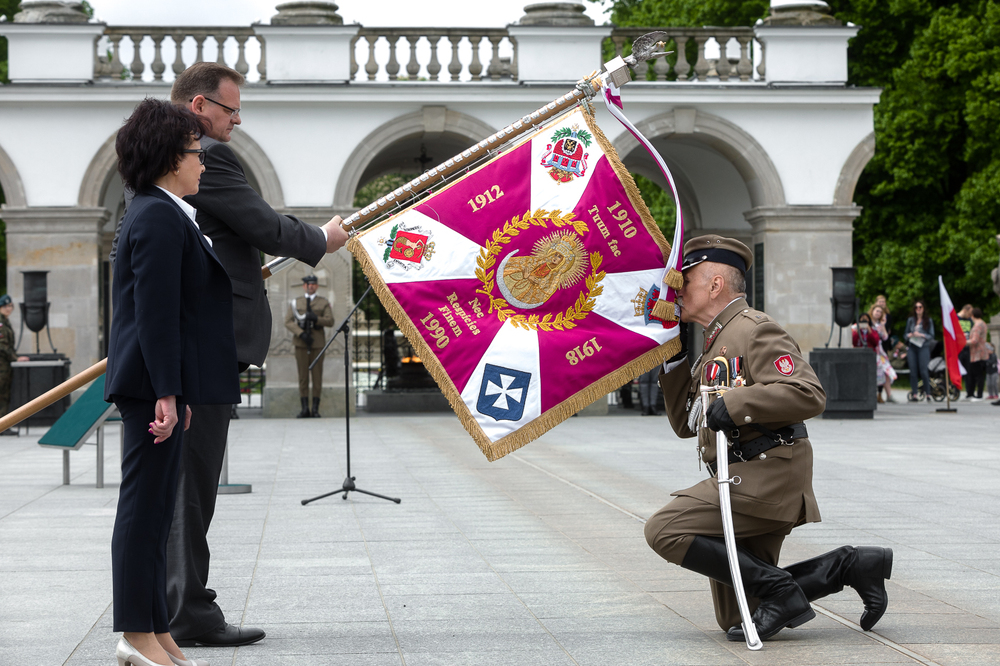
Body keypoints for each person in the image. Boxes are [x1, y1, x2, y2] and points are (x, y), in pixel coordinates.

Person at [106, 62, 351, 649]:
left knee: (177, 490)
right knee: (178, 493)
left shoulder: (174, 203)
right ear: (197, 110)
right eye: (230, 109)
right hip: (185, 361)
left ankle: (164, 620)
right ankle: (176, 612)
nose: (236, 121)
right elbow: (258, 230)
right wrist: (322, 240)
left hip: (188, 359)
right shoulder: (182, 186)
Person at [646, 235, 892, 642]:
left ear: (715, 285)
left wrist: (738, 399)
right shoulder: (714, 342)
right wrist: (672, 357)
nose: (678, 290)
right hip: (741, 473)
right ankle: (850, 565)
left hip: (768, 472)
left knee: (664, 529)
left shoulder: (754, 329)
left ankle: (780, 589)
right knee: (740, 617)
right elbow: (685, 423)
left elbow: (808, 392)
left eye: (686, 280)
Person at [105, 98, 239, 666]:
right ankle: (135, 632)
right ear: (168, 157)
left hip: (163, 382)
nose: (203, 162)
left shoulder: (165, 210)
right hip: (148, 384)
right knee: (142, 509)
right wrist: (164, 390)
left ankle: (155, 630)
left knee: (158, 510)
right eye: (194, 152)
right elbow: (156, 311)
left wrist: (176, 389)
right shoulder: (158, 214)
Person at [284, 275, 334, 417]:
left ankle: (315, 409)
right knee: (303, 376)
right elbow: (288, 321)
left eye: (313, 284)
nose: (310, 286)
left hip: (317, 342)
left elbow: (330, 321)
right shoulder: (296, 302)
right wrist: (300, 333)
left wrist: (316, 319)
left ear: (317, 286)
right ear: (304, 286)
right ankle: (305, 408)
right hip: (301, 342)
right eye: (308, 284)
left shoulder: (323, 302)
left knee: (317, 376)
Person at [0, 294, 29, 431]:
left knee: (4, 395)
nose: (8, 309)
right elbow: (2, 345)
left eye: (10, 306)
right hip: (1, 365)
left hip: (5, 366)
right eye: (5, 306)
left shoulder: (6, 322)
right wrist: (15, 357)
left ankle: (3, 425)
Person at [904, 300, 935, 401]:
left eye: (920, 307)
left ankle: (928, 393)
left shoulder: (928, 320)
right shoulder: (911, 320)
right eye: (916, 307)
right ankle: (915, 393)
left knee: (923, 371)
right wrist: (909, 335)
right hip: (912, 346)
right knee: (913, 371)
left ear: (923, 309)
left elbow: (931, 335)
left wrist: (921, 335)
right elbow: (905, 334)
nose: (918, 309)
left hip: (923, 346)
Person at [869, 304, 896, 403]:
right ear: (872, 311)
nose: (878, 313)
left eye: (880, 312)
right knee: (873, 373)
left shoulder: (880, 325)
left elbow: (885, 338)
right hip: (871, 350)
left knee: (886, 372)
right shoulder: (868, 323)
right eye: (877, 311)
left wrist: (883, 327)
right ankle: (874, 394)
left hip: (879, 352)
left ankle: (889, 395)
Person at [965, 307, 988, 401]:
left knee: (977, 375)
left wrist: (964, 342)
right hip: (982, 352)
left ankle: (979, 395)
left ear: (972, 316)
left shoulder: (977, 325)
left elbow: (974, 340)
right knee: (978, 374)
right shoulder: (983, 323)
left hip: (977, 353)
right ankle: (973, 394)